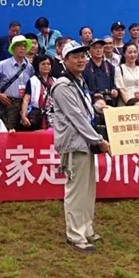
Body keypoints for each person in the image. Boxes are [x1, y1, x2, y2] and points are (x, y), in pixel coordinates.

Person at [50, 40, 110, 254]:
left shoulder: (78, 81)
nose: (81, 60)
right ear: (64, 60)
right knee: (76, 191)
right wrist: (98, 140)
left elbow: (83, 110)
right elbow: (76, 118)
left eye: (83, 56)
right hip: (75, 144)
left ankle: (86, 228)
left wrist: (98, 108)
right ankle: (75, 235)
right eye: (75, 56)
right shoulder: (62, 86)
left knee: (87, 189)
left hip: (85, 143)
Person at [0, 34, 33, 131]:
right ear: (13, 48)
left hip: (25, 104)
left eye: (25, 46)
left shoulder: (29, 67)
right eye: (19, 45)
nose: (22, 48)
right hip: (8, 103)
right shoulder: (2, 64)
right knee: (7, 131)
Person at [21, 54, 56, 131]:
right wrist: (23, 115)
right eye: (43, 64)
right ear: (38, 66)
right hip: (37, 115)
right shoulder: (32, 81)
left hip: (53, 114)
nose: (46, 66)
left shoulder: (55, 81)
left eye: (48, 64)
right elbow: (26, 100)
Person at [83, 38, 118, 107]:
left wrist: (114, 91)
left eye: (100, 48)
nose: (98, 50)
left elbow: (114, 84)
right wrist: (92, 94)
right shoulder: (85, 68)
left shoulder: (110, 66)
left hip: (110, 102)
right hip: (93, 103)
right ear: (89, 50)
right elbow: (83, 88)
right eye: (95, 48)